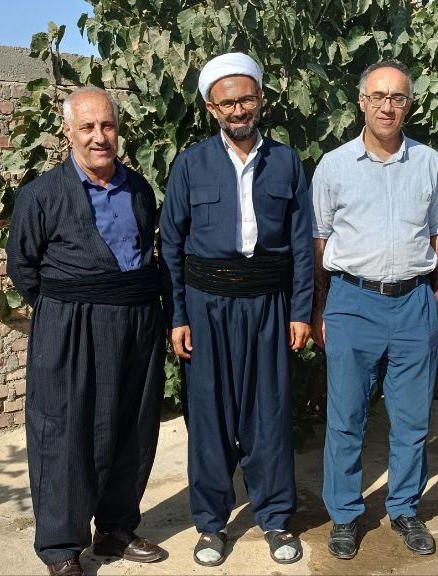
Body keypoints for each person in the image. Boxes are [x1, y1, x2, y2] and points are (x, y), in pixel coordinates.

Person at [6, 86, 168, 576]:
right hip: (71, 327)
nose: (100, 137)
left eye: (108, 125)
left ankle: (116, 529)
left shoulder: (139, 189)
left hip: (137, 323)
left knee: (132, 427)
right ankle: (60, 547)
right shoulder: (40, 195)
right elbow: (23, 268)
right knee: (64, 432)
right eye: (88, 127)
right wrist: (68, 310)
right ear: (69, 132)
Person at [159, 51, 314, 567]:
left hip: (268, 305)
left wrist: (299, 311)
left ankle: (275, 517)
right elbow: (171, 245)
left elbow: (301, 244)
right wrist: (178, 315)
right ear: (211, 108)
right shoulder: (191, 164)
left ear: (260, 99)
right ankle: (210, 524)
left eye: (246, 98)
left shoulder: (286, 162)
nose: (239, 109)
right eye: (227, 102)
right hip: (206, 307)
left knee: (269, 413)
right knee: (209, 415)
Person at [310, 60, 438, 560]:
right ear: (362, 103)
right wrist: (322, 306)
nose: (387, 106)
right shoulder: (334, 166)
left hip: (414, 302)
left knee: (412, 421)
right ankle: (345, 514)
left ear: (408, 105)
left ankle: (405, 508)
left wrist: (436, 298)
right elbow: (319, 239)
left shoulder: (428, 163)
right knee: (346, 419)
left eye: (397, 97)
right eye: (378, 96)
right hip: (352, 302)